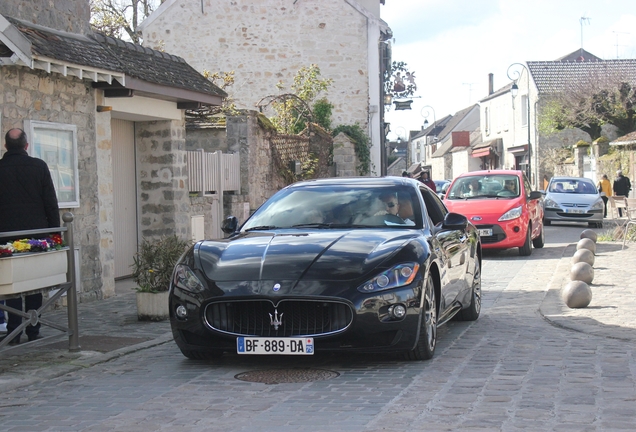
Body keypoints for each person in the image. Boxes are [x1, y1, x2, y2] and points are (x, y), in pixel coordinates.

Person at [0, 128, 60, 345]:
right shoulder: (39, 167)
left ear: (6, 146)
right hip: (36, 236)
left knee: (11, 283)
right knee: (34, 282)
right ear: (26, 146)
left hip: (5, 237)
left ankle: (14, 330)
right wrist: (56, 234)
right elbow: (50, 203)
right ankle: (33, 328)